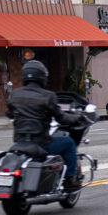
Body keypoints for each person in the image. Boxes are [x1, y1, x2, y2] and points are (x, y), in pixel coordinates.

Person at [6, 60, 82, 192]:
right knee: (69, 142)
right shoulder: (48, 96)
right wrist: (77, 118)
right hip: (41, 143)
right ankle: (70, 179)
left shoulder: (14, 94)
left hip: (19, 142)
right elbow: (62, 118)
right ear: (42, 77)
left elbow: (9, 113)